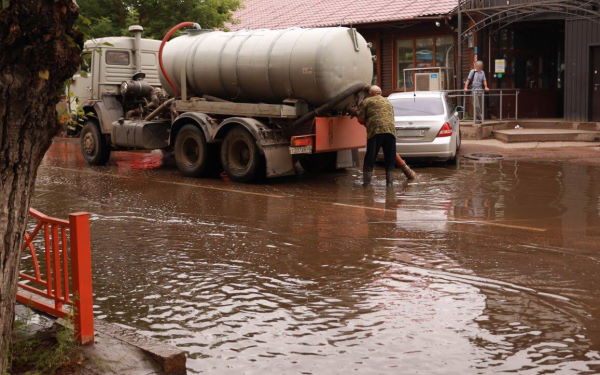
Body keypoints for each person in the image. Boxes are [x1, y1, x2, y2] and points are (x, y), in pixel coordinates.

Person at [357, 85, 397, 187]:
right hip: (390, 131)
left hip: (375, 131)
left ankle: (366, 184)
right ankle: (390, 183)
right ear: (380, 92)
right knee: (390, 158)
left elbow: (360, 119)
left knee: (370, 157)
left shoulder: (367, 101)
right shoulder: (388, 101)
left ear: (370, 93)